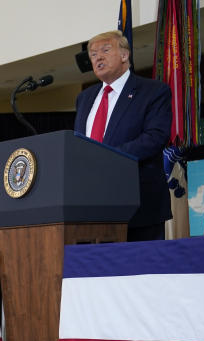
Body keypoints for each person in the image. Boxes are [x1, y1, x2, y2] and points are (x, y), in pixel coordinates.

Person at [75, 29, 172, 242]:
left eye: (105, 50)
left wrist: (107, 157)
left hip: (139, 207)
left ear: (125, 55)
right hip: (90, 211)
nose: (98, 57)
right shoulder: (84, 98)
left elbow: (155, 137)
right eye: (93, 54)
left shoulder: (153, 91)